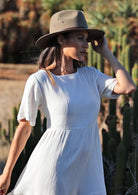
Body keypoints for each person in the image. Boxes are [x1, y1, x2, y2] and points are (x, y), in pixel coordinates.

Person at [0, 10, 136, 195]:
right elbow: (24, 128)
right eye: (80, 38)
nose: (86, 45)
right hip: (54, 166)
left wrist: (105, 52)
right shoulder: (40, 80)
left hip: (89, 169)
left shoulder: (91, 76)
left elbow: (128, 87)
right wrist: (6, 174)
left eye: (86, 40)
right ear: (60, 39)